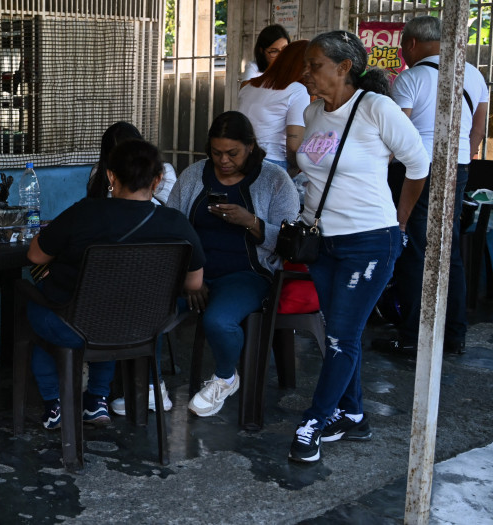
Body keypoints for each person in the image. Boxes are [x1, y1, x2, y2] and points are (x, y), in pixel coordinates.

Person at [288, 30, 429, 463]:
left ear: (344, 67)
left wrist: (401, 220)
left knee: (342, 337)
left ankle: (315, 420)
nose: (307, 73)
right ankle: (352, 414)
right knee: (336, 334)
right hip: (322, 243)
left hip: (369, 241)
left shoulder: (376, 108)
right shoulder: (314, 112)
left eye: (315, 65)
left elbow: (418, 164)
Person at [28, 139, 205, 429]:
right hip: (143, 329)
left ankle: (54, 403)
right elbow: (195, 283)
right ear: (158, 179)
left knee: (37, 302)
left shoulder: (85, 213)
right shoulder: (176, 224)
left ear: (110, 175)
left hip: (72, 328)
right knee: (116, 308)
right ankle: (96, 401)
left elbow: (35, 255)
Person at [167, 111, 300, 417]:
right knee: (146, 306)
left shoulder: (275, 180)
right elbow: (173, 226)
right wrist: (190, 275)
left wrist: (251, 222)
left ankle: (226, 377)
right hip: (194, 273)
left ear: (250, 146)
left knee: (219, 321)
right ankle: (149, 388)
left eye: (232, 153)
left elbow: (289, 242)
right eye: (216, 153)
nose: (224, 160)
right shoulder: (193, 176)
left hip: (248, 274)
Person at [381, 15, 491, 356]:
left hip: (417, 169)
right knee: (448, 248)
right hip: (457, 167)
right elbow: (478, 128)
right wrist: (462, 154)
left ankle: (413, 336)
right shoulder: (472, 73)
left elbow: (397, 134)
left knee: (416, 248)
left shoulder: (410, 78)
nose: (402, 53)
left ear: (412, 43)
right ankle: (454, 334)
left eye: (402, 46)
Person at [238, 40, 312, 172]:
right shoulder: (298, 90)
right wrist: (295, 169)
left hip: (241, 159)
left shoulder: (248, 86)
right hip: (273, 161)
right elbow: (294, 146)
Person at [87, 122, 177, 203]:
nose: (122, 162)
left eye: (127, 154)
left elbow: (168, 207)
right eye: (115, 156)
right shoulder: (99, 171)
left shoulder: (164, 171)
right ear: (110, 175)